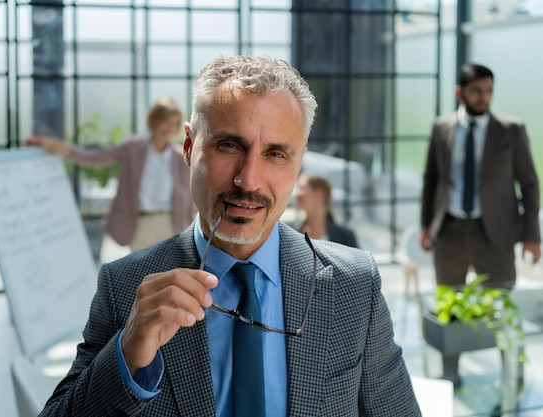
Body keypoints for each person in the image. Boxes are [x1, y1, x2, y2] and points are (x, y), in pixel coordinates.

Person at [39, 56, 420, 416]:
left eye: (275, 154)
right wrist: (126, 356)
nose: (248, 181)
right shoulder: (123, 287)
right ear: (189, 147)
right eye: (229, 146)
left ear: (299, 163)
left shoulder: (354, 286)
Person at [419, 62, 541, 386]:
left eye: (488, 91)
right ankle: (450, 372)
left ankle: (512, 370)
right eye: (476, 91)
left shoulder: (511, 130)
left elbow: (529, 183)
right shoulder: (442, 127)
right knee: (450, 302)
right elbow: (431, 179)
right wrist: (425, 226)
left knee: (502, 303)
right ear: (460, 92)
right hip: (451, 230)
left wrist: (532, 236)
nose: (483, 97)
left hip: (496, 233)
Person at [26, 97, 194, 252]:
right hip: (139, 224)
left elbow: (192, 195)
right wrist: (53, 145)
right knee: (139, 278)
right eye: (165, 122)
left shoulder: (181, 157)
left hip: (171, 225)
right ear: (154, 121)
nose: (169, 128)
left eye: (174, 123)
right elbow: (93, 157)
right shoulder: (133, 148)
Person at [292, 172, 359, 247]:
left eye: (302, 188)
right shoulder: (293, 233)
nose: (297, 194)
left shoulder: (345, 236)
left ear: (319, 194)